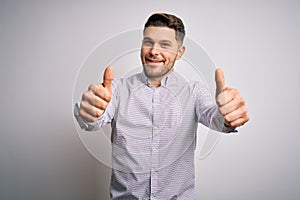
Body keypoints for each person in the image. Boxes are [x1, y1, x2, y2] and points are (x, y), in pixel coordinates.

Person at [74, 13, 249, 200]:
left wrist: (228, 115)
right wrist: (89, 113)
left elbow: (217, 118)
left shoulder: (194, 92)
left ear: (179, 52)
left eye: (165, 45)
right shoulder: (117, 89)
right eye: (148, 42)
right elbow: (94, 119)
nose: (153, 51)